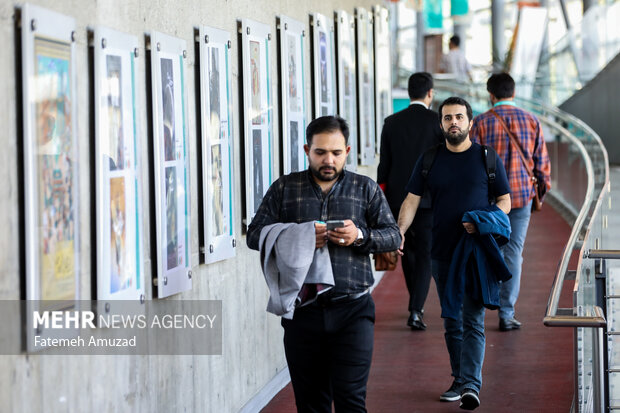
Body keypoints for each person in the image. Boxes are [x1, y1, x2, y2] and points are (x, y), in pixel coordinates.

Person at [247, 115, 401, 412]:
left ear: (348, 150)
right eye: (320, 152)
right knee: (311, 404)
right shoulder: (285, 188)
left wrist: (359, 236)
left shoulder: (364, 188)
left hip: (353, 309)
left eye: (336, 152)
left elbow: (393, 236)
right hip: (303, 312)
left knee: (351, 401)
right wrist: (298, 236)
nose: (328, 160)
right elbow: (255, 235)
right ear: (307, 150)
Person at [397, 97, 511, 410]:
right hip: (441, 252)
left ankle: (471, 385)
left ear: (470, 122)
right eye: (448, 118)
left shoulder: (486, 158)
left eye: (459, 117)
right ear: (441, 124)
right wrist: (399, 233)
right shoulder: (430, 158)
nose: (454, 123)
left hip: (475, 252)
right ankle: (459, 379)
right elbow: (411, 199)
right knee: (451, 319)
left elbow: (505, 201)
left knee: (472, 318)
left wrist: (483, 221)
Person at [470, 72, 551, 331]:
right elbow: (543, 165)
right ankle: (506, 313)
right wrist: (539, 190)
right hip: (521, 197)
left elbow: (472, 163)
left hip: (489, 200)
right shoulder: (531, 120)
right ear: (513, 93)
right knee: (514, 251)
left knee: (485, 250)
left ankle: (480, 310)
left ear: (490, 95)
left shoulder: (481, 123)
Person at [377, 72, 443, 330]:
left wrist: (382, 199)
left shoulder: (391, 122)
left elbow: (385, 165)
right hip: (428, 198)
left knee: (404, 250)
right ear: (430, 93)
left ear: (408, 93)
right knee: (426, 253)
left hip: (397, 196)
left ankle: (415, 302)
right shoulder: (437, 122)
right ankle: (416, 308)